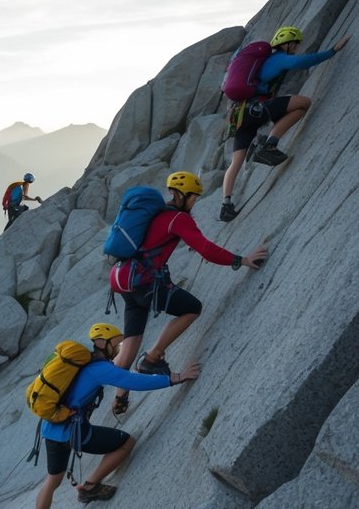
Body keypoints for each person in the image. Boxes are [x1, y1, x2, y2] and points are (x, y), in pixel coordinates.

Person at [108, 172, 267, 417]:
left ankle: (119, 397)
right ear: (182, 195)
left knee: (129, 347)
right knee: (192, 308)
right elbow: (205, 249)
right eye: (193, 197)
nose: (195, 202)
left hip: (125, 281)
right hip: (145, 282)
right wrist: (241, 260)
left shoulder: (154, 214)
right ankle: (151, 358)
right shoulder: (178, 218)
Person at [29, 325, 199, 509]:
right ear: (102, 343)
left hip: (51, 427)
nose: (118, 348)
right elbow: (133, 382)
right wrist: (173, 378)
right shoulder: (98, 368)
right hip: (74, 430)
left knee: (53, 480)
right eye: (116, 344)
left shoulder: (79, 363)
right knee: (126, 442)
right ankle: (90, 487)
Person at [220, 26, 352, 221]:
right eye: (295, 45)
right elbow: (301, 62)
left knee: (236, 162)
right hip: (256, 109)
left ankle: (226, 205)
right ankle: (270, 143)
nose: (296, 49)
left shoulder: (259, 64)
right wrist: (332, 51)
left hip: (240, 116)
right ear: (288, 43)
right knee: (303, 103)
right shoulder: (278, 58)